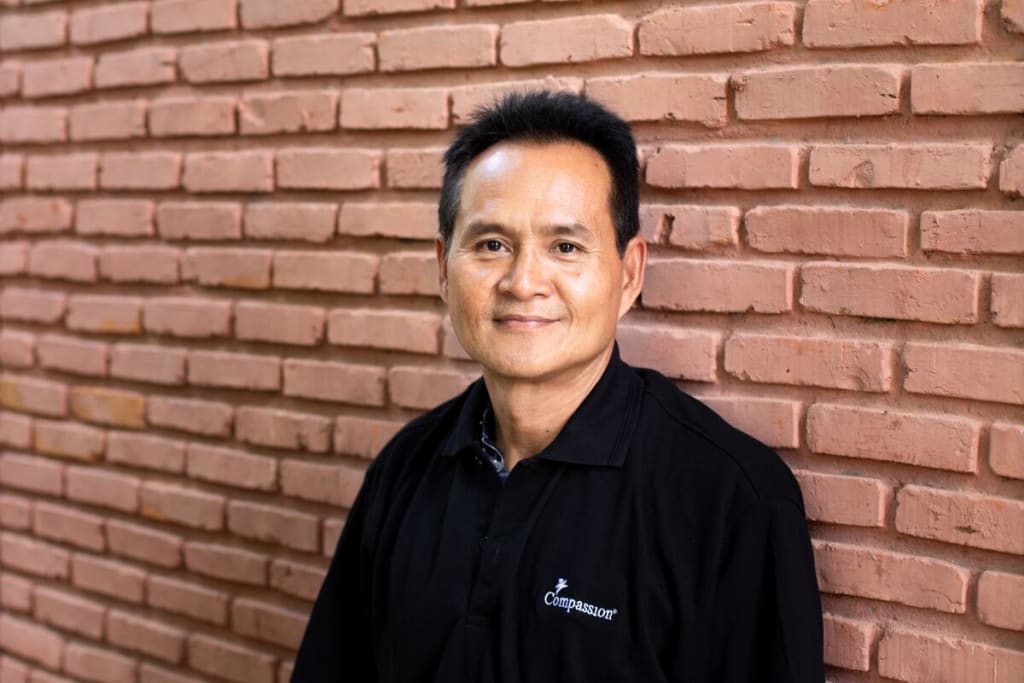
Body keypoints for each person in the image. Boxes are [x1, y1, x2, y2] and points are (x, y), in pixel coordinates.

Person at [291, 91, 824, 682]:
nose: (523, 283)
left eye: (565, 247)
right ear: (443, 268)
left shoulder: (728, 499)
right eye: (492, 245)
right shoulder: (405, 470)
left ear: (629, 274)